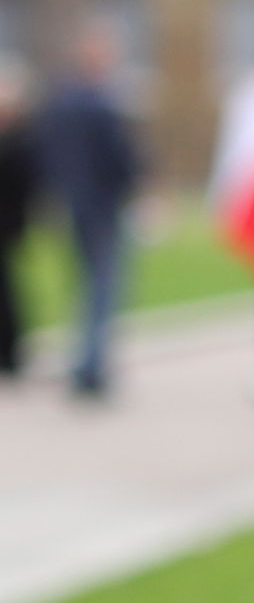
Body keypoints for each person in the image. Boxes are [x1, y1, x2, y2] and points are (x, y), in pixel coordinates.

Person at [37, 24, 139, 399]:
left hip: (72, 204)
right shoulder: (102, 104)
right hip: (102, 205)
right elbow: (120, 159)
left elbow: (46, 154)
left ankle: (83, 360)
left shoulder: (60, 102)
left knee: (82, 285)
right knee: (103, 286)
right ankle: (93, 367)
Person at [0, 56, 37, 379]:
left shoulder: (18, 141)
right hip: (11, 222)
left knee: (8, 290)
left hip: (7, 223)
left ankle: (11, 351)